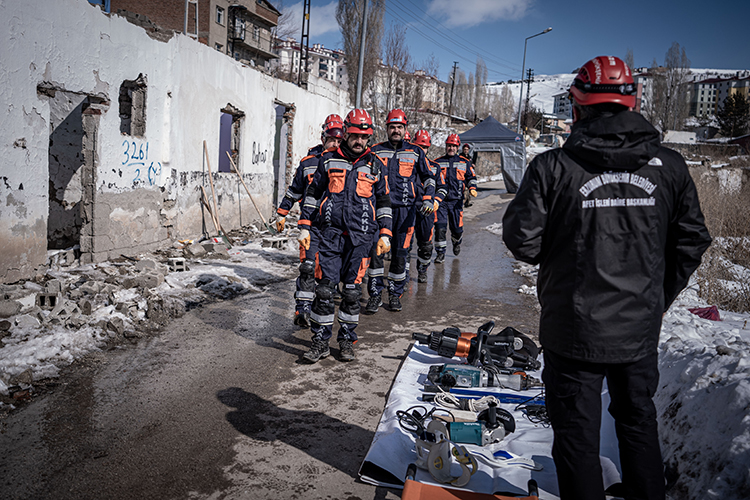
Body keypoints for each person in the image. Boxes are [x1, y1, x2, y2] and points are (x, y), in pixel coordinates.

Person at [502, 56, 712, 500]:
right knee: (637, 421)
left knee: (577, 437)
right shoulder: (670, 167)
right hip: (636, 330)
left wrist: (564, 255)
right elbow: (691, 240)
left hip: (573, 330)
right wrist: (653, 297)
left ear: (577, 108)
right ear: (632, 103)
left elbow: (523, 241)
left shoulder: (553, 168)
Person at [297, 109, 392, 363]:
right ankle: (320, 341)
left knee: (351, 293)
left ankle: (347, 340)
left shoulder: (375, 164)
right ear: (346, 133)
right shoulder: (328, 160)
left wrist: (385, 233)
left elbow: (383, 200)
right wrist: (305, 225)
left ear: (369, 137)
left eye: (364, 136)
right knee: (325, 290)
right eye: (354, 135)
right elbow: (313, 192)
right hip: (330, 236)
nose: (358, 141)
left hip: (360, 239)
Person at [365, 109, 436, 313]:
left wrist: (429, 198)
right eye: (392, 127)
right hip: (380, 212)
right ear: (386, 128)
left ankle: (395, 295)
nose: (395, 130)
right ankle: (375, 295)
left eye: (399, 127)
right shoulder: (375, 151)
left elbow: (428, 177)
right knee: (376, 254)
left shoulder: (415, 152)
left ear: (405, 129)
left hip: (406, 213)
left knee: (400, 254)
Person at [275, 115, 343, 327]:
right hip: (310, 224)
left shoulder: (347, 163)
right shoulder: (308, 163)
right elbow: (295, 190)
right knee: (307, 266)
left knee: (326, 272)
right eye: (332, 139)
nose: (336, 143)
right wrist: (282, 212)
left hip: (334, 227)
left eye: (340, 140)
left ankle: (319, 308)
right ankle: (302, 310)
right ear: (323, 138)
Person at [433, 134, 476, 263]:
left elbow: (471, 177)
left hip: (456, 202)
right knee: (440, 228)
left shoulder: (464, 162)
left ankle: (456, 241)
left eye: (453, 146)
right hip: (441, 202)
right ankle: (440, 253)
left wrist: (472, 187)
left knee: (457, 229)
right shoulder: (437, 162)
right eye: (449, 146)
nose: (451, 148)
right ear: (446, 146)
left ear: (458, 147)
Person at [411, 129, 446, 283]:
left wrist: (436, 200)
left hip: (427, 211)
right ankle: (402, 277)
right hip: (409, 208)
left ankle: (422, 269)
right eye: (419, 147)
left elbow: (443, 187)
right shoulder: (407, 165)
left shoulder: (435, 167)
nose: (422, 151)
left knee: (425, 245)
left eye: (424, 148)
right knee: (404, 245)